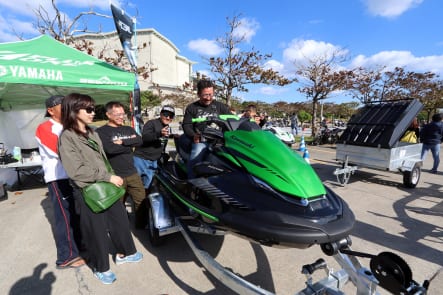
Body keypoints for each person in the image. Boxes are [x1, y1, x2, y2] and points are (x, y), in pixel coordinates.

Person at [58, 93, 142, 285]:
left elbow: (106, 157)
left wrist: (111, 176)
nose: (92, 112)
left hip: (108, 185)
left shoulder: (93, 132)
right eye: (88, 109)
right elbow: (76, 171)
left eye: (93, 108)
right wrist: (107, 176)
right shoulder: (67, 137)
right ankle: (100, 267)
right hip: (88, 190)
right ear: (74, 110)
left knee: (120, 221)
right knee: (95, 231)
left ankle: (124, 253)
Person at [35, 95, 85, 270]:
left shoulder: (69, 125)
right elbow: (61, 151)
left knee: (77, 213)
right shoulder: (45, 127)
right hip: (59, 178)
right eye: (62, 105)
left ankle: (79, 246)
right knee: (64, 217)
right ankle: (66, 256)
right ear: (51, 110)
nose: (66, 108)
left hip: (75, 177)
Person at [96, 101, 146, 229]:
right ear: (108, 114)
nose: (121, 117)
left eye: (123, 114)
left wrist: (123, 142)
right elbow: (109, 149)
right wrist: (129, 146)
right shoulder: (102, 132)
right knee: (118, 205)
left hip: (133, 173)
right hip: (115, 176)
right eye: (117, 114)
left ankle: (140, 225)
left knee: (141, 201)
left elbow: (139, 140)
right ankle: (121, 228)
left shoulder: (128, 128)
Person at [182, 80, 231, 178]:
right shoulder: (192, 107)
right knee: (197, 153)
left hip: (219, 140)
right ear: (198, 94)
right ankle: (192, 182)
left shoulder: (220, 106)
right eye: (205, 95)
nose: (208, 98)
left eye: (211, 94)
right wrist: (194, 135)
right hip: (202, 140)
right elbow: (186, 125)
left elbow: (231, 120)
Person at [133, 105, 175, 190]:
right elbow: (145, 137)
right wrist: (159, 133)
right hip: (141, 159)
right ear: (160, 114)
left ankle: (142, 203)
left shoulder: (167, 127)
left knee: (147, 186)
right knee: (132, 184)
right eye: (165, 114)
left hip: (153, 162)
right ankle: (121, 202)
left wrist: (173, 136)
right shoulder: (151, 123)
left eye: (171, 116)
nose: (168, 117)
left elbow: (162, 140)